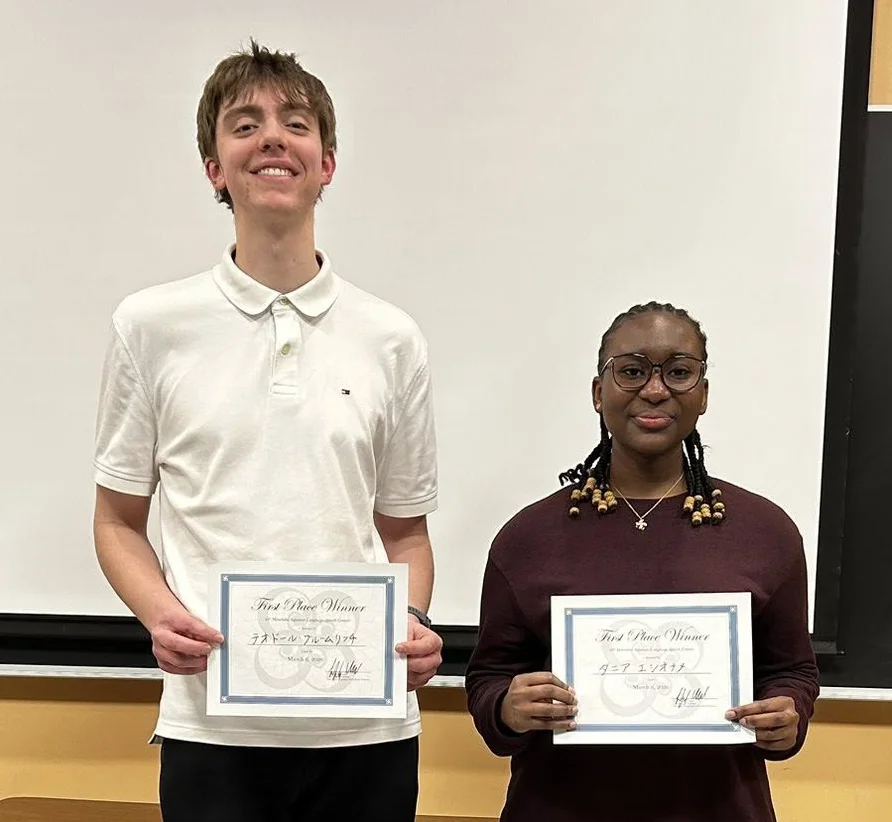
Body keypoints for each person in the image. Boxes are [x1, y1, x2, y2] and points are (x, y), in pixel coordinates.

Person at [92, 40, 442, 822]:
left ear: (327, 163)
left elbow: (406, 535)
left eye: (296, 122)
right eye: (244, 124)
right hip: (212, 722)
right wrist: (158, 614)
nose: (272, 137)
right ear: (215, 168)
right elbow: (117, 522)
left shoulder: (392, 337)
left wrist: (413, 622)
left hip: (366, 725)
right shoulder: (151, 326)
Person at [465, 301, 819, 822]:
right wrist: (507, 708)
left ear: (703, 394)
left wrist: (787, 715)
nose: (654, 390)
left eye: (679, 372)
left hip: (717, 809)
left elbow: (792, 671)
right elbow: (489, 676)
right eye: (631, 371)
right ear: (597, 392)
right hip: (559, 807)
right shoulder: (528, 537)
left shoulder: (765, 533)